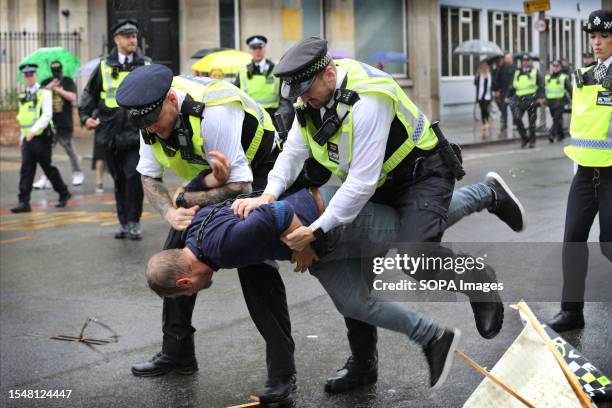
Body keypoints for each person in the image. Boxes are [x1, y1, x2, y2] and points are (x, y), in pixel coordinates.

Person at [232, 37, 504, 393]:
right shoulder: (309, 100)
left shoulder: (368, 97)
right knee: (353, 261)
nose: (302, 100)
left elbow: (360, 184)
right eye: (296, 93)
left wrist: (315, 230)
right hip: (380, 180)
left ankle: (479, 281)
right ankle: (364, 366)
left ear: (329, 74)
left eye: (307, 91)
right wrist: (267, 196)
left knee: (416, 256)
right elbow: (292, 154)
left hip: (421, 175)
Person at [147, 186, 464, 390]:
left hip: (325, 220)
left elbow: (278, 213)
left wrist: (300, 246)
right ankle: (433, 337)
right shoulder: (197, 230)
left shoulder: (223, 247)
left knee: (412, 230)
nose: (191, 296)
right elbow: (236, 200)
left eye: (186, 294)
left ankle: (486, 193)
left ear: (184, 282)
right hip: (319, 241)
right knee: (354, 303)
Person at [115, 64, 299, 406]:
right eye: (145, 124)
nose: (152, 129)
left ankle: (282, 374)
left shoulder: (214, 111)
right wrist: (172, 212)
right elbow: (149, 177)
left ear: (171, 98)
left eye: (156, 120)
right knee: (175, 265)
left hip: (255, 172)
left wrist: (190, 199)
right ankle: (178, 353)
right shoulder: (148, 120)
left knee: (253, 264)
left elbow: (240, 186)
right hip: (210, 178)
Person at [546, 9, 612, 332]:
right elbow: (582, 128)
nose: (597, 42)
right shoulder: (585, 76)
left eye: (604, 36)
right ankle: (571, 311)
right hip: (586, 173)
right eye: (593, 36)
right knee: (573, 238)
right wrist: (578, 168)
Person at [78, 19, 150, 239]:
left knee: (132, 176)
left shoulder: (145, 65)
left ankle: (134, 221)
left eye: (134, 36)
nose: (133, 40)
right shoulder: (103, 66)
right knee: (118, 179)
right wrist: (85, 117)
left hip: (135, 134)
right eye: (128, 36)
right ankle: (123, 222)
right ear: (116, 40)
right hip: (109, 134)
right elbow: (88, 95)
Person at [11, 63, 71, 213]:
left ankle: (64, 193)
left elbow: (47, 115)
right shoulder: (23, 95)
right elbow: (23, 118)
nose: (29, 77)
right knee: (26, 169)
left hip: (42, 138)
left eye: (31, 74)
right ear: (24, 78)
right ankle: (24, 202)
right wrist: (22, 137)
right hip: (28, 139)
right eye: (26, 75)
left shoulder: (44, 92)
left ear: (35, 76)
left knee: (47, 168)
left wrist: (33, 131)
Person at [234, 35, 293, 119]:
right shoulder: (243, 71)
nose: (257, 51)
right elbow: (235, 93)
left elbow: (285, 95)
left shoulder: (276, 70)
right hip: (250, 115)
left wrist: (282, 113)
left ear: (264, 49)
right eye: (254, 49)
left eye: (260, 48)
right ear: (250, 51)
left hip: (272, 116)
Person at [505, 54, 545, 148]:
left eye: (528, 60)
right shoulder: (517, 72)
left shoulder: (535, 72)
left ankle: (532, 141)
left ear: (531, 62)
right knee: (517, 118)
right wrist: (507, 96)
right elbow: (512, 85)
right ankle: (524, 138)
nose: (526, 62)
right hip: (520, 100)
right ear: (522, 62)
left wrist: (541, 97)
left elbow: (541, 86)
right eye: (524, 61)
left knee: (532, 122)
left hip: (532, 99)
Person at [544, 60, 572, 143]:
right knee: (556, 119)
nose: (555, 68)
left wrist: (573, 98)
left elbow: (570, 89)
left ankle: (551, 134)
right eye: (554, 66)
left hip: (560, 101)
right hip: (550, 102)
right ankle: (561, 135)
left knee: (556, 118)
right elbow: (544, 89)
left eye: (557, 67)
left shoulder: (563, 77)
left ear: (559, 67)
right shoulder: (547, 77)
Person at [493, 52, 514, 134]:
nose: (507, 60)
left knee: (514, 109)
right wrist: (497, 90)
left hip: (512, 93)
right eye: (506, 58)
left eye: (509, 58)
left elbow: (514, 82)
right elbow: (497, 80)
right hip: (503, 92)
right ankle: (504, 125)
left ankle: (515, 124)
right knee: (503, 110)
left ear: (511, 59)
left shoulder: (515, 68)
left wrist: (509, 95)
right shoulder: (501, 68)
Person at [474, 61, 493, 139]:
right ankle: (483, 123)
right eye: (483, 66)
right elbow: (475, 83)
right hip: (480, 96)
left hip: (488, 96)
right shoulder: (479, 75)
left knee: (486, 109)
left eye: (486, 66)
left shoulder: (489, 75)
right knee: (482, 110)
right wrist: (477, 75)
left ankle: (487, 121)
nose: (484, 67)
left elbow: (493, 84)